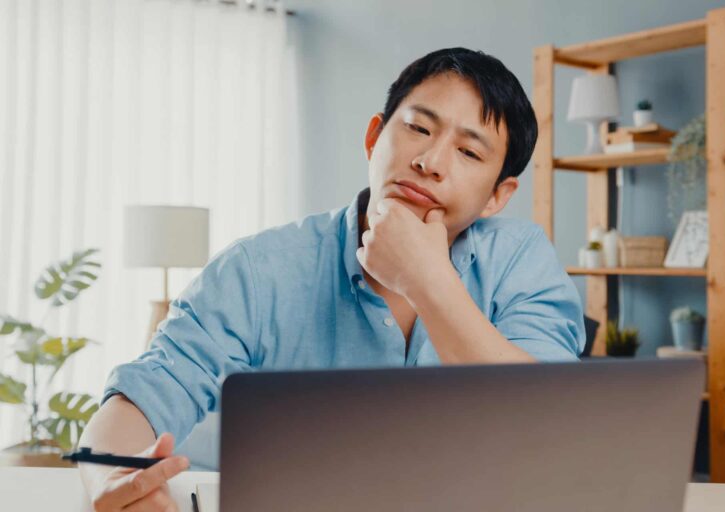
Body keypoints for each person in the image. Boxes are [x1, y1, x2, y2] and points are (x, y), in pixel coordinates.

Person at [79, 47, 585, 511]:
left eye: (470, 153)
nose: (430, 163)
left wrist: (426, 279)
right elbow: (144, 394)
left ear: (498, 195)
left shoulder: (521, 259)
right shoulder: (259, 269)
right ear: (373, 138)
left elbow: (546, 422)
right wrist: (111, 482)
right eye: (418, 128)